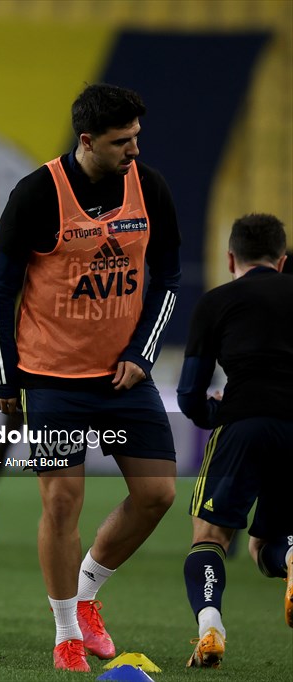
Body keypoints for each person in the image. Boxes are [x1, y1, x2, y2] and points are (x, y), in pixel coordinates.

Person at [0, 83, 181, 672]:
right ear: (87, 140)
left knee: (158, 495)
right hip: (53, 378)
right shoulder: (37, 192)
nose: (134, 150)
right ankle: (66, 632)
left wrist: (143, 353)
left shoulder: (150, 188)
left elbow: (169, 278)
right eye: (122, 141)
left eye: (137, 137)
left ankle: (88, 591)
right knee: (63, 503)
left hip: (124, 376)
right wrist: (3, 377)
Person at [176, 213, 293, 668]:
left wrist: (213, 413)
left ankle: (211, 628)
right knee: (266, 548)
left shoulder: (217, 302)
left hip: (242, 422)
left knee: (210, 536)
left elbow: (190, 393)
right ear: (281, 261)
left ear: (230, 259)